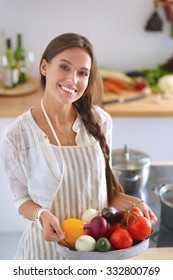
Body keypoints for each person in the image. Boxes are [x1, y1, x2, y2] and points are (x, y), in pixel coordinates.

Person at [0, 33, 157, 260]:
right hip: (45, 254)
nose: (72, 79)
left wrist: (134, 206)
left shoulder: (100, 121)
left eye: (82, 73)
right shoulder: (17, 134)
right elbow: (21, 199)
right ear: (44, 67)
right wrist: (42, 215)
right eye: (64, 67)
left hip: (96, 253)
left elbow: (103, 193)